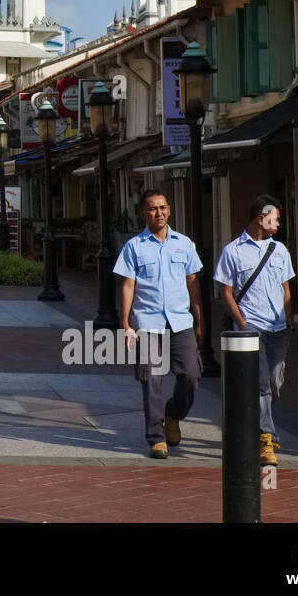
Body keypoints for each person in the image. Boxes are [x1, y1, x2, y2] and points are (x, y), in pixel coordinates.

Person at [112, 189, 203, 459]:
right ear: (143, 213)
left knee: (190, 375)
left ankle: (173, 414)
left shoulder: (184, 244)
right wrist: (124, 323)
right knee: (151, 380)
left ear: (169, 210)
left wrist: (200, 320)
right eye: (152, 208)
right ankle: (156, 438)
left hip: (180, 322)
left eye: (163, 207)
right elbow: (128, 285)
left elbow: (193, 284)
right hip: (147, 322)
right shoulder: (134, 247)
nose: (159, 213)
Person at [215, 194, 295, 467]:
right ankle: (266, 440)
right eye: (276, 219)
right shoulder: (233, 251)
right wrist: (241, 322)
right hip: (252, 328)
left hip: (280, 328)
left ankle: (251, 422)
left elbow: (286, 289)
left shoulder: (281, 250)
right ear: (262, 218)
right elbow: (225, 291)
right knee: (261, 384)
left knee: (275, 382)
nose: (279, 224)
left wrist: (289, 320)